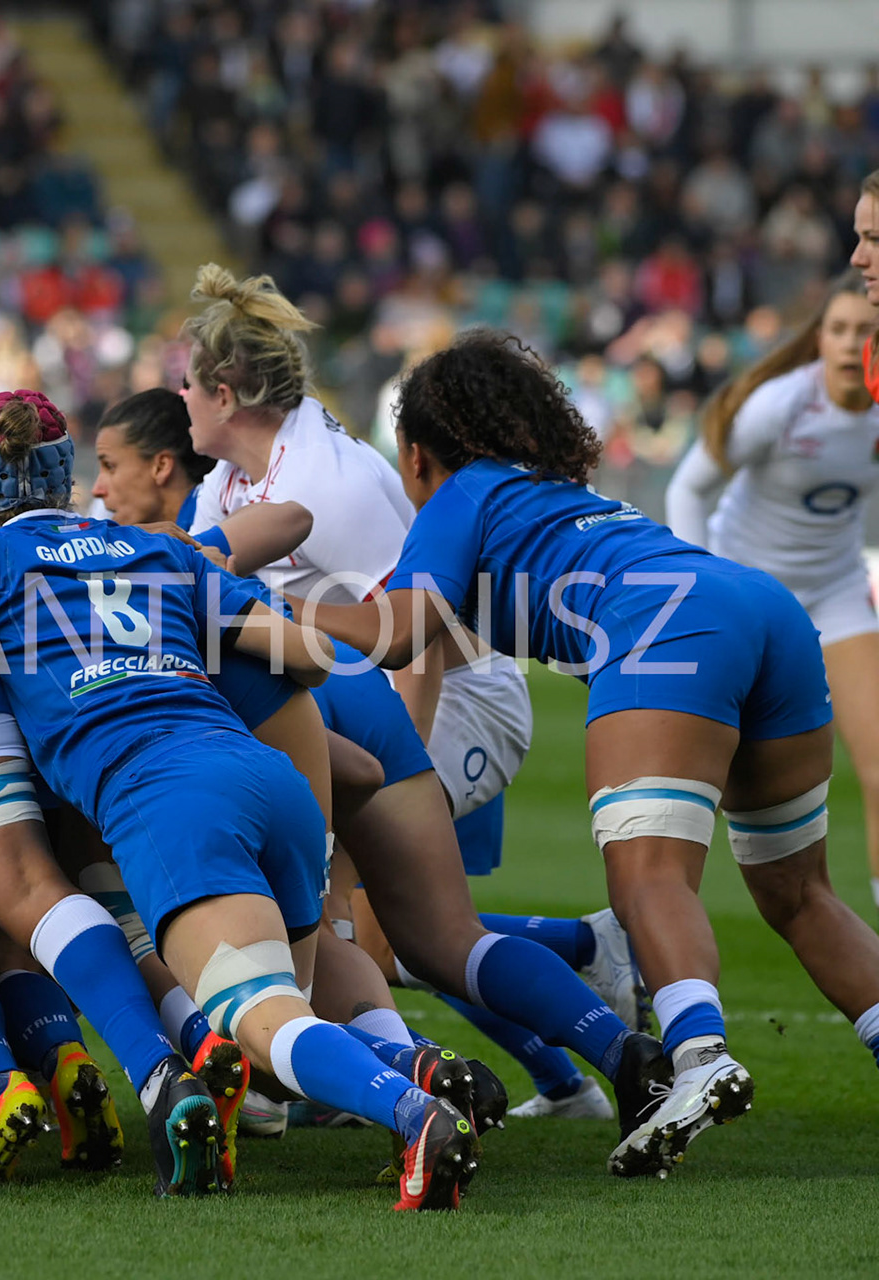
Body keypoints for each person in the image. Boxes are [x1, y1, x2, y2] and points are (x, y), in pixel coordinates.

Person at [0, 389, 481, 1210]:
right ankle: (381, 1073)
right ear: (66, 475)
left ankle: (413, 1111)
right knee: (273, 1040)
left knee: (266, 1022)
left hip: (167, 795)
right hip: (269, 778)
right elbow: (311, 659)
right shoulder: (156, 549)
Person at [296, 330, 879, 1177]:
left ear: (418, 455)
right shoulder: (550, 493)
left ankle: (700, 1057)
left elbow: (395, 631)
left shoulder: (465, 492)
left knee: (647, 877)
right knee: (799, 892)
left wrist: (248, 607)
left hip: (670, 630)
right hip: (767, 612)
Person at [174, 267, 663, 1138]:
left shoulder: (334, 485)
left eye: (185, 382)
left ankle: (335, 1071)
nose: (176, 399)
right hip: (361, 705)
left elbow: (419, 627)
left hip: (454, 696)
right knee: (415, 937)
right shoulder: (232, 483)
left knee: (382, 930)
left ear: (223, 392)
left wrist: (409, 769)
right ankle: (581, 1042)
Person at [667, 272, 879, 912]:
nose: (848, 344)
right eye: (836, 329)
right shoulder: (780, 404)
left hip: (837, 590)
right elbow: (687, 488)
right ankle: (650, 918)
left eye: (863, 331)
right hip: (751, 594)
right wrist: (701, 583)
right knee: (699, 779)